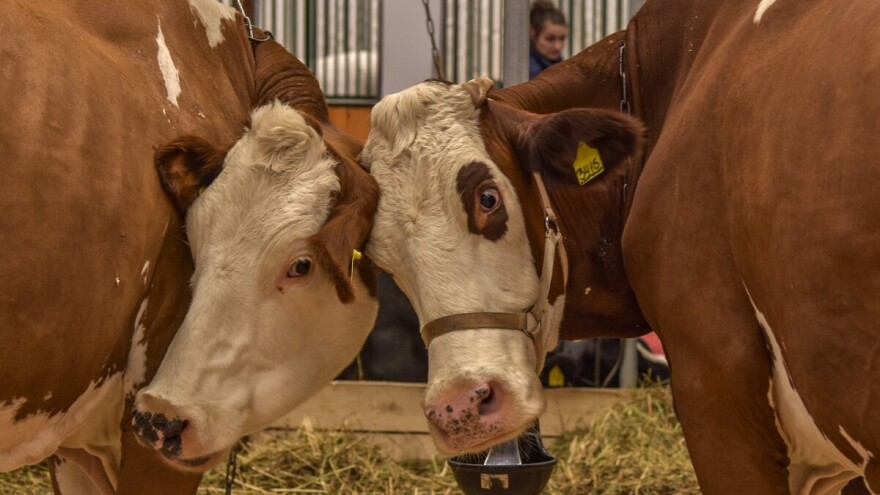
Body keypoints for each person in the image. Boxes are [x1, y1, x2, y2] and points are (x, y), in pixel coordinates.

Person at [529, 0, 567, 79]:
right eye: (550, 39)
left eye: (562, 38)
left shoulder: (560, 64)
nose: (558, 46)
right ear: (533, 34)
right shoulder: (529, 71)